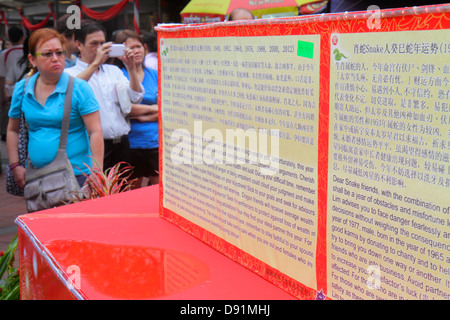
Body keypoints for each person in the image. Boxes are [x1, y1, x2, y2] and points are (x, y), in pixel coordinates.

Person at [7, 28, 104, 189]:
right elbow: (12, 130)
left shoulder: (79, 88)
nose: (55, 58)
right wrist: (15, 165)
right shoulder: (23, 89)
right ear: (32, 60)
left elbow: (95, 131)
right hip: (36, 175)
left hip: (77, 176)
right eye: (47, 54)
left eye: (59, 53)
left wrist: (97, 170)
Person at [66, 20, 144, 172]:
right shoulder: (70, 74)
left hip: (121, 144)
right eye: (93, 44)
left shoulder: (112, 70)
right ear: (79, 45)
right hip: (92, 146)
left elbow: (135, 97)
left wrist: (131, 67)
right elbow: (71, 93)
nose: (99, 48)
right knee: (99, 192)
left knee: (124, 192)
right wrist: (95, 63)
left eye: (102, 43)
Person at [115, 30, 159, 187]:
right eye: (129, 48)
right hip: (130, 143)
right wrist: (153, 109)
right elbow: (124, 109)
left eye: (138, 46)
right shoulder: (118, 75)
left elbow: (166, 108)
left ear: (145, 48)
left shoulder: (156, 74)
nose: (135, 51)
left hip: (155, 142)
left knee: (158, 191)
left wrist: (142, 115)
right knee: (133, 190)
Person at [0, 26, 25, 141]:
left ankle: (8, 134)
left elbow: (2, 77)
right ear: (23, 38)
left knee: (11, 115)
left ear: (8, 37)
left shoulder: (4, 54)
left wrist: (2, 94)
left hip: (10, 91)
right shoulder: (27, 52)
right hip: (28, 90)